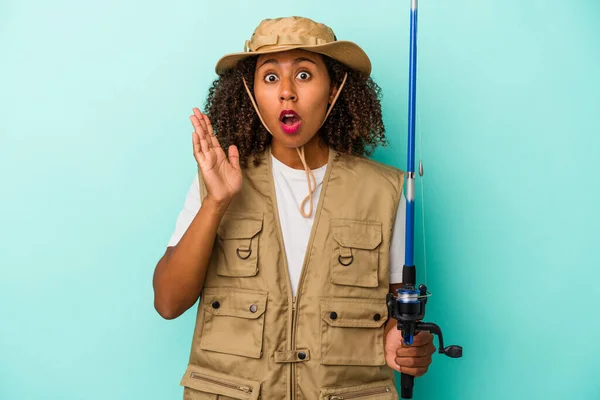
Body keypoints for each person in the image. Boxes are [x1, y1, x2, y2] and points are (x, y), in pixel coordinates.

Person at [153, 16, 435, 400]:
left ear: (334, 89)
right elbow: (168, 302)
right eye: (270, 78)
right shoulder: (216, 180)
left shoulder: (384, 190)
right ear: (249, 93)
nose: (287, 92)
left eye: (304, 75)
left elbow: (396, 317)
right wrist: (216, 202)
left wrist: (403, 344)